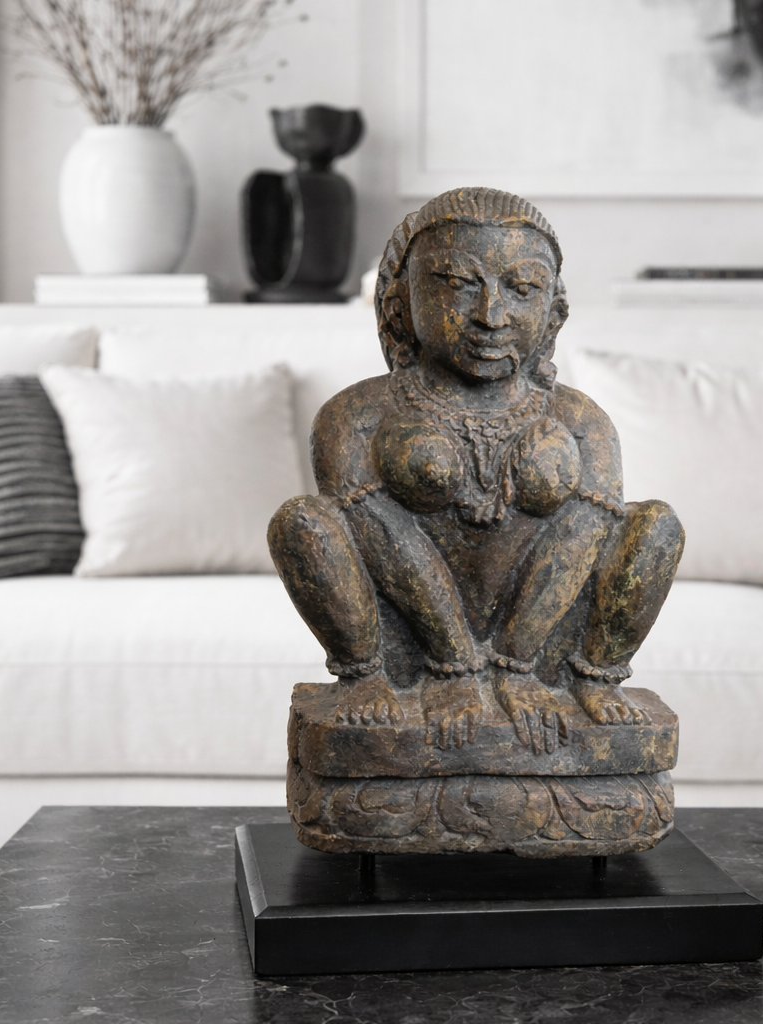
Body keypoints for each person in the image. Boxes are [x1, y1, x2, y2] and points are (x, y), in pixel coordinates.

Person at [269, 187, 684, 756]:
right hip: (418, 643)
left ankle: (592, 676)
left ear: (554, 310)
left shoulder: (581, 420)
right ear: (401, 303)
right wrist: (454, 669)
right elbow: (383, 538)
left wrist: (516, 671)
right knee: (303, 523)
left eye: (521, 288)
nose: (491, 316)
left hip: (539, 644)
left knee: (656, 525)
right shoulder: (357, 416)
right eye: (460, 284)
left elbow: (580, 539)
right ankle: (367, 675)